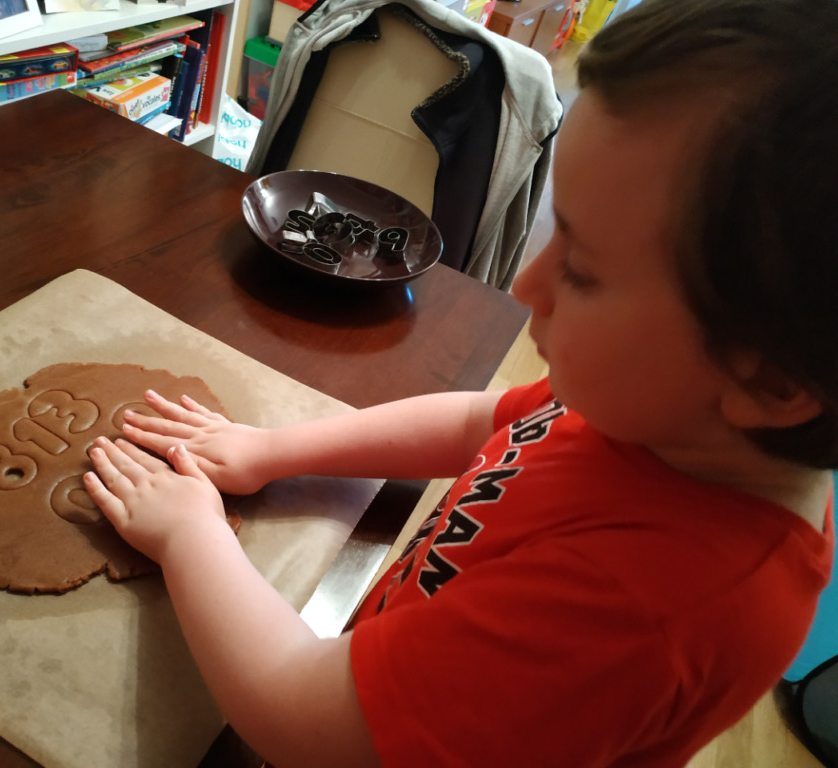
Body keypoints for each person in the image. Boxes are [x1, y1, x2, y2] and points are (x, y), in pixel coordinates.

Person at [83, 0, 838, 765]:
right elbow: (486, 422)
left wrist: (191, 535)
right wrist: (271, 450)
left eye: (581, 270)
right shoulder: (669, 416)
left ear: (770, 380)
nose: (529, 284)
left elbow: (302, 715)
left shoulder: (647, 607)